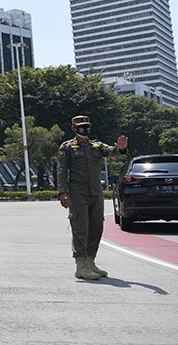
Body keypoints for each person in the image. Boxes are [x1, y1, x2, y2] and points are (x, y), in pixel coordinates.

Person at [57, 115, 128, 280]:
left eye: (86, 126)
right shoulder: (67, 147)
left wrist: (121, 148)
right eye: (81, 126)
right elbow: (61, 170)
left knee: (96, 228)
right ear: (74, 128)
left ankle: (91, 262)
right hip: (77, 193)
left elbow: (112, 151)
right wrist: (63, 192)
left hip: (96, 193)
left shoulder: (96, 145)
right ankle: (81, 266)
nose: (85, 129)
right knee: (80, 228)